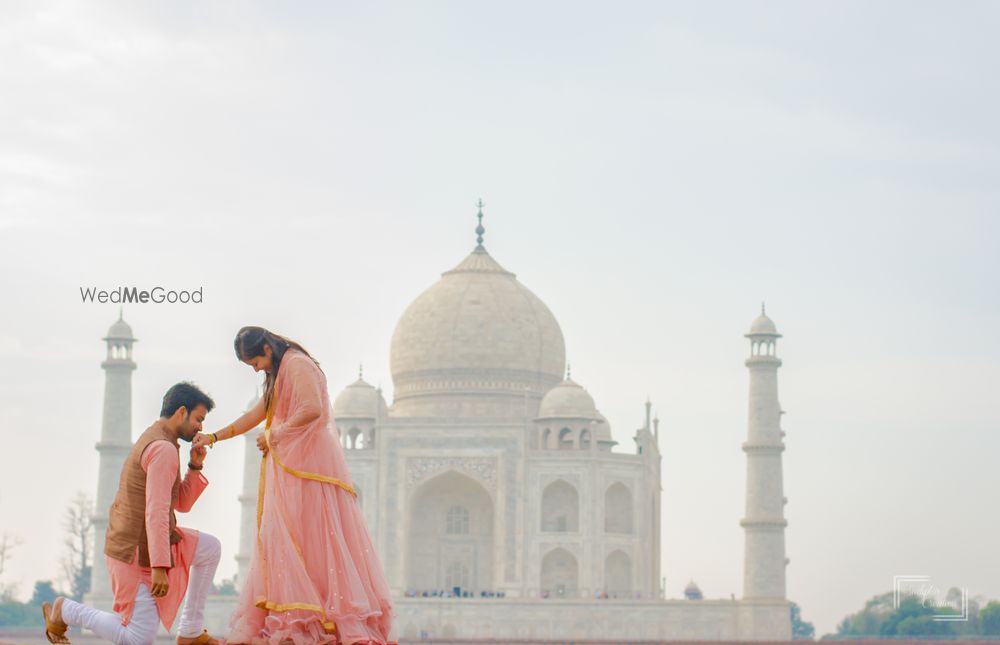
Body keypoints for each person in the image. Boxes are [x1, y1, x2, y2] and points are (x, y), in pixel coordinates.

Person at [193, 326, 395, 644]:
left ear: (267, 350)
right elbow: (255, 415)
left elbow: (312, 408)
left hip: (310, 470)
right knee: (289, 541)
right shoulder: (279, 372)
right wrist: (215, 437)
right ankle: (300, 621)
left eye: (255, 362)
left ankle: (324, 622)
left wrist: (274, 434)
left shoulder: (298, 364)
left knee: (316, 541)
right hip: (292, 469)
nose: (256, 369)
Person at [42, 382, 223, 645]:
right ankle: (65, 610)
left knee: (210, 549)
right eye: (199, 419)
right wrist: (160, 566)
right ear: (181, 412)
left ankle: (191, 631)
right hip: (134, 552)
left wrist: (195, 465)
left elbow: (179, 504)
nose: (200, 428)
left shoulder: (161, 439)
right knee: (138, 639)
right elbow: (156, 511)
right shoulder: (163, 449)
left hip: (152, 541)